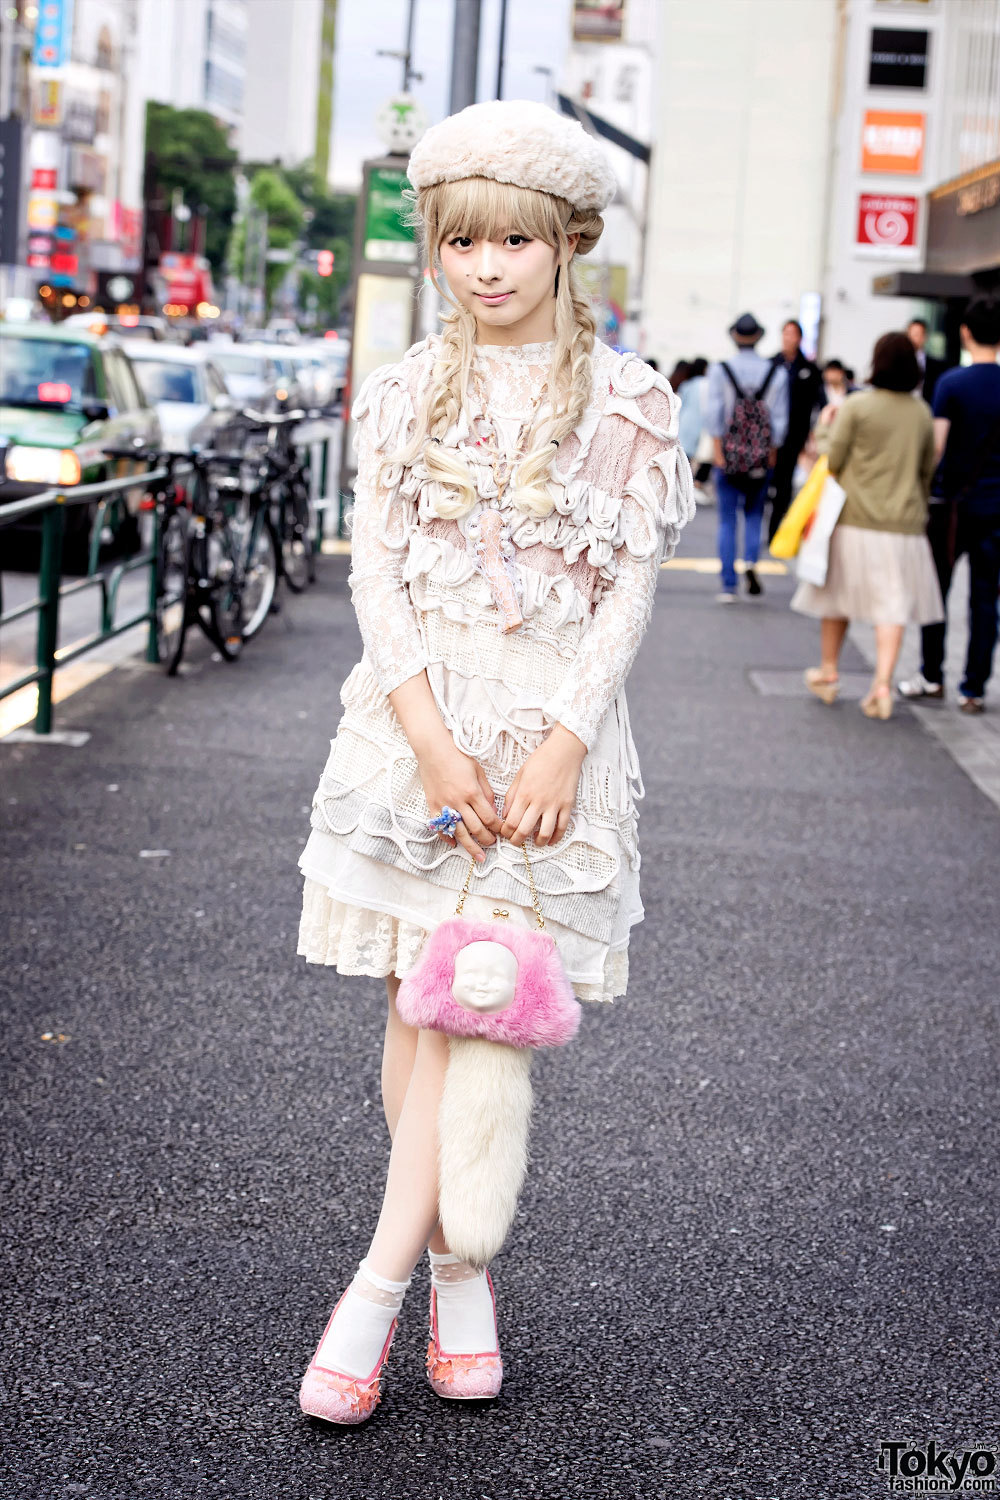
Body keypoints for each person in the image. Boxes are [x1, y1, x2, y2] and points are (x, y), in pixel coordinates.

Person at [293, 98, 696, 1426]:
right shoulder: (408, 388)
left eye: (516, 239)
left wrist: (567, 740)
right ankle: (460, 1276)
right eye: (463, 241)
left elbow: (630, 589)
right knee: (419, 1009)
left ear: (568, 241)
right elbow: (381, 581)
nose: (488, 267)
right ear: (440, 248)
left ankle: (377, 1285)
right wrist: (427, 736)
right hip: (419, 735)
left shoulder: (634, 404)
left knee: (475, 1003)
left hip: (547, 752)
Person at [791, 332, 943, 719]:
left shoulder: (858, 406)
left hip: (854, 520)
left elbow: (834, 458)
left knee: (836, 597)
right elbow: (927, 470)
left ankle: (828, 673)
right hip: (903, 526)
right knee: (891, 606)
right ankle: (881, 686)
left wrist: (825, 425)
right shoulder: (921, 412)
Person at [899, 293, 1000, 713]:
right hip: (996, 509)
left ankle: (932, 675)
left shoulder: (951, 384)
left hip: (951, 507)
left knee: (935, 591)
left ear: (964, 332)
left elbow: (936, 448)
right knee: (985, 598)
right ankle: (973, 688)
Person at [706, 312, 789, 601]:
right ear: (758, 337)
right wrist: (771, 453)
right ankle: (751, 562)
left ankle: (728, 586)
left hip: (727, 456)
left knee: (728, 520)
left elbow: (714, 414)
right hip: (760, 457)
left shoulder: (721, 370)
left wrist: (718, 451)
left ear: (735, 337)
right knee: (754, 514)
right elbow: (779, 421)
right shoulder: (776, 373)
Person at [767, 319, 824, 542]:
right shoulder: (772, 364)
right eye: (785, 334)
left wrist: (811, 435)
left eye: (792, 334)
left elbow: (817, 403)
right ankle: (764, 522)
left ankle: (776, 529)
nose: (788, 338)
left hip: (794, 435)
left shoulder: (809, 369)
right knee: (769, 481)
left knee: (785, 483)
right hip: (769, 436)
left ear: (799, 338)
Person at [907, 317, 948, 404]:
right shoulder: (899, 363)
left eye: (917, 334)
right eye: (911, 334)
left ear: (925, 337)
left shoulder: (937, 366)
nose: (912, 339)